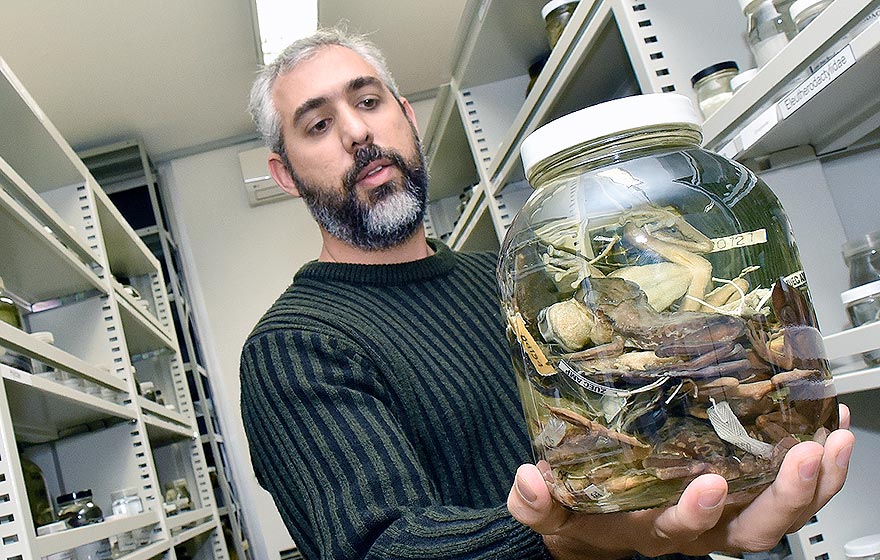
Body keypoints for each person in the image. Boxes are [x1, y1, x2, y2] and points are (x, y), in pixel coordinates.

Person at [239, 26, 854, 560]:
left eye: (369, 101)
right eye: (317, 124)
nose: (356, 132)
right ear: (285, 174)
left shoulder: (511, 278)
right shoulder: (293, 347)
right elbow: (381, 546)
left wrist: (725, 467)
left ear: (406, 114)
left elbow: (645, 422)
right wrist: (582, 535)